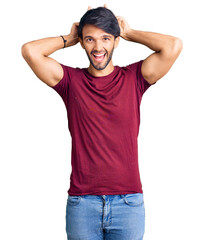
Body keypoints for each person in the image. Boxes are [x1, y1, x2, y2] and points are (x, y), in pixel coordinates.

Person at [21, 4, 183, 240]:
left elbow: (173, 46)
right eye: (90, 39)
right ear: (82, 42)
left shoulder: (134, 78)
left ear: (116, 41)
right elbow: (29, 51)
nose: (98, 47)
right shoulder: (71, 82)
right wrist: (69, 38)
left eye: (106, 38)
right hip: (82, 204)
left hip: (128, 203)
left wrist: (128, 32)